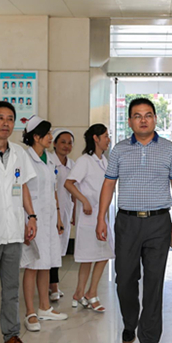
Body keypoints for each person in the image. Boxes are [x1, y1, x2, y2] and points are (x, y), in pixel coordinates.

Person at [97, 97, 172, 343]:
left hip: (159, 222)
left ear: (155, 119)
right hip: (127, 222)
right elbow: (109, 184)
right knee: (125, 278)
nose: (143, 120)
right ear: (130, 121)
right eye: (137, 115)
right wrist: (101, 218)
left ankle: (150, 342)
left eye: (148, 115)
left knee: (154, 282)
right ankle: (129, 321)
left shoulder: (170, 149)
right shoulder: (119, 150)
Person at [0, 101, 36, 343]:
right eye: (0, 118)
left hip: (13, 229)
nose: (5, 123)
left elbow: (23, 185)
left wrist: (31, 216)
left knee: (11, 287)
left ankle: (11, 335)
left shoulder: (19, 153)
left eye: (10, 119)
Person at [21, 115, 67, 332]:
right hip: (32, 218)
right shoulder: (25, 158)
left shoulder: (49, 159)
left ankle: (44, 307)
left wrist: (58, 217)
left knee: (46, 263)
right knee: (32, 265)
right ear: (36, 137)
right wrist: (27, 219)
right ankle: (30, 312)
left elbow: (53, 190)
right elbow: (21, 189)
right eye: (47, 133)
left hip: (49, 219)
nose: (51, 137)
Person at [64, 124, 115, 313]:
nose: (108, 140)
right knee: (91, 256)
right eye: (106, 136)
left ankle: (81, 293)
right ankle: (90, 293)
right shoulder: (85, 160)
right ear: (96, 138)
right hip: (88, 215)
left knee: (102, 254)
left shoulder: (104, 161)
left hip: (100, 215)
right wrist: (84, 200)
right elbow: (69, 183)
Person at [47, 129, 76, 302]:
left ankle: (51, 284)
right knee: (53, 248)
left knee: (60, 248)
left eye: (70, 143)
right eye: (63, 142)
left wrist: (74, 212)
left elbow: (75, 189)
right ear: (55, 143)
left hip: (66, 210)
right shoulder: (49, 162)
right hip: (51, 211)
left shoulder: (72, 164)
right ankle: (53, 286)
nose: (66, 146)